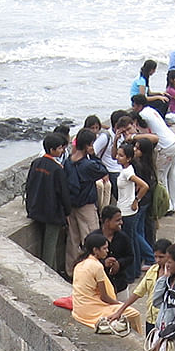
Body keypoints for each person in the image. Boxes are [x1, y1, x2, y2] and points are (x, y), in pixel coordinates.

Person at [71, 232, 142, 334]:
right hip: (92, 310)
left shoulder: (79, 264)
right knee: (134, 313)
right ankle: (139, 338)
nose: (107, 251)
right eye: (104, 248)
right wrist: (121, 305)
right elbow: (104, 297)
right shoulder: (97, 266)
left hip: (79, 310)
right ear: (95, 250)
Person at [63, 128, 110, 277]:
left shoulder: (68, 162)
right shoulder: (88, 165)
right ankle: (91, 273)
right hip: (86, 205)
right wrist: (93, 155)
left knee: (73, 239)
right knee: (91, 238)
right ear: (88, 145)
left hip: (71, 205)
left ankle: (71, 271)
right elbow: (103, 170)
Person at [24, 132, 70, 275]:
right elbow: (63, 193)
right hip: (52, 213)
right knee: (50, 245)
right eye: (60, 148)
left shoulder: (36, 163)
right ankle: (48, 273)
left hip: (37, 209)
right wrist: (67, 212)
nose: (62, 151)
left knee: (49, 242)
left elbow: (29, 185)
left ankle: (54, 271)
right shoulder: (57, 169)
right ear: (52, 150)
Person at [130, 97, 175, 214]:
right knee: (172, 175)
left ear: (138, 106)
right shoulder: (151, 110)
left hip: (165, 147)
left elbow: (147, 136)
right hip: (174, 142)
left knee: (161, 177)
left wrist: (133, 136)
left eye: (134, 106)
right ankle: (172, 204)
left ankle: (166, 206)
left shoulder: (142, 116)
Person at [113, 238, 171, 336]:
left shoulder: (174, 275)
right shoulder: (152, 270)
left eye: (161, 257)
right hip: (150, 319)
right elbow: (138, 293)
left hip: (165, 320)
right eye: (156, 257)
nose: (158, 260)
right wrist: (120, 311)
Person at [115, 140, 151, 280]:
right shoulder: (127, 170)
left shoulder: (128, 172)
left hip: (127, 211)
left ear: (128, 158)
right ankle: (134, 271)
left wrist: (136, 200)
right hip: (126, 209)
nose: (118, 157)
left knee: (129, 242)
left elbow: (144, 186)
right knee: (133, 241)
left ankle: (130, 274)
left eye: (121, 156)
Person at [89, 205, 134, 298]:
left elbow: (130, 257)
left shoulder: (123, 238)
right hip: (99, 288)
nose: (121, 223)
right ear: (106, 222)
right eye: (117, 220)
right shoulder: (93, 239)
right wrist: (103, 263)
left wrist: (119, 264)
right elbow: (87, 261)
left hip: (120, 285)